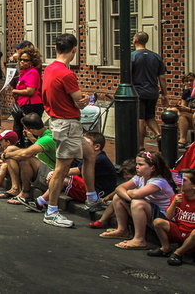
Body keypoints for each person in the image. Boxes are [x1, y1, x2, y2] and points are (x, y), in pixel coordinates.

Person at [40, 33, 101, 228]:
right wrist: (84, 101)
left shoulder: (49, 69)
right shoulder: (67, 74)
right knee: (61, 169)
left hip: (60, 121)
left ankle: (91, 197)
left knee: (90, 153)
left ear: (56, 48)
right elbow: (80, 100)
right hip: (67, 124)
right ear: (74, 50)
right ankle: (51, 210)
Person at [99, 150, 176, 250]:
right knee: (118, 197)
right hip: (150, 213)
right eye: (137, 164)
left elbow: (136, 194)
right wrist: (130, 197)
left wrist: (131, 194)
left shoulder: (158, 182)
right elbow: (119, 189)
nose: (137, 167)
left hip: (163, 218)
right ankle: (122, 230)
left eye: (141, 164)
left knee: (138, 203)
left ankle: (139, 239)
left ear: (152, 168)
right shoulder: (139, 177)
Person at [131, 31, 169, 148]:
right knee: (150, 116)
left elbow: (128, 75)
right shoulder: (156, 56)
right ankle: (159, 135)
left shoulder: (132, 56)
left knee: (140, 119)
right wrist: (165, 94)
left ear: (136, 40)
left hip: (138, 92)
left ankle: (140, 146)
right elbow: (162, 77)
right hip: (153, 92)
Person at [150, 169, 195, 266]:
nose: (180, 182)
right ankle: (165, 248)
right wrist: (174, 203)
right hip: (179, 230)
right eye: (179, 179)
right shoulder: (177, 197)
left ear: (193, 186)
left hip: (192, 236)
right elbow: (168, 217)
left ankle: (178, 253)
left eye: (184, 180)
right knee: (158, 222)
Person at [10, 45, 44, 147]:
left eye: (25, 60)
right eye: (21, 59)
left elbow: (30, 91)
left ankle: (31, 150)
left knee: (30, 131)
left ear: (32, 62)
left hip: (32, 105)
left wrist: (15, 91)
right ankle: (20, 146)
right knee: (19, 127)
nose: (22, 62)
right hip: (24, 104)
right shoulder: (23, 72)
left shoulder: (32, 72)